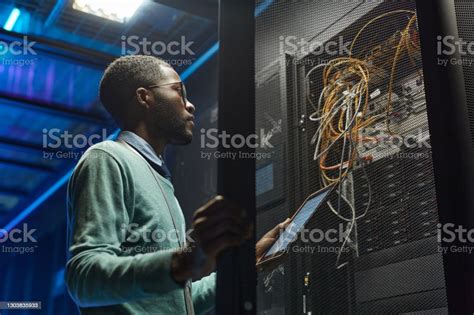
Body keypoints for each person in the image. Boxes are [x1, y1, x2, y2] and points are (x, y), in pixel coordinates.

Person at [65, 55, 289, 315]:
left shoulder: (160, 178)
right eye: (178, 91)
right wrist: (184, 262)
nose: (190, 105)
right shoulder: (106, 158)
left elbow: (180, 301)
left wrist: (250, 264)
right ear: (144, 97)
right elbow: (83, 279)